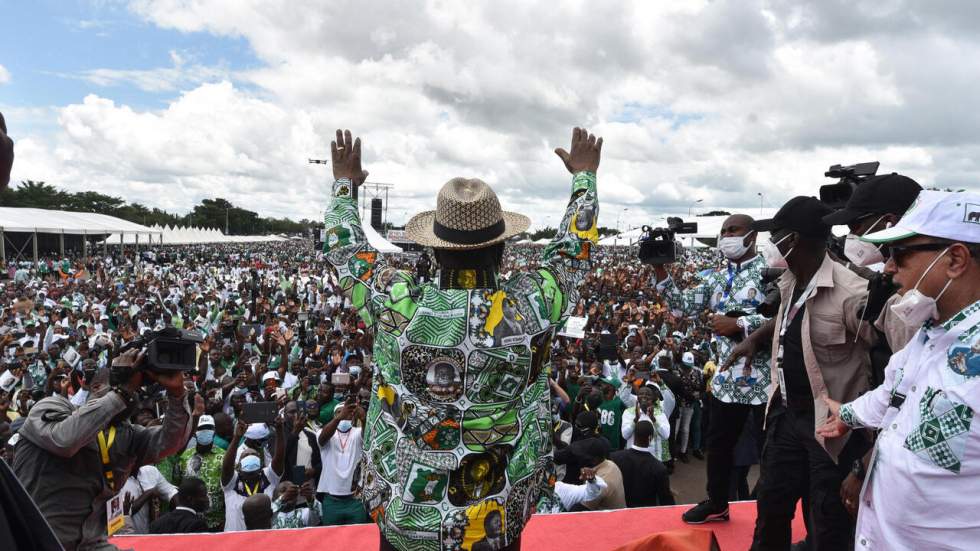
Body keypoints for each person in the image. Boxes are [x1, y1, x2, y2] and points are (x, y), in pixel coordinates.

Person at [321, 127, 601, 551]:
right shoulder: (533, 306)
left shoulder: (399, 304)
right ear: (502, 249)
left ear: (434, 250)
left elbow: (343, 250)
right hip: (495, 519)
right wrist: (584, 177)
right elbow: (572, 253)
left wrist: (345, 186)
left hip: (406, 519)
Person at [817, 190, 980, 550]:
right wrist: (847, 414)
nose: (888, 268)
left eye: (900, 254)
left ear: (955, 260)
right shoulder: (930, 332)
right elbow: (894, 392)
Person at [731, 196, 874, 551]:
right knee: (771, 508)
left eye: (774, 235)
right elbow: (795, 322)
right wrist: (757, 337)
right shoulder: (790, 282)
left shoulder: (851, 292)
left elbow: (893, 355)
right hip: (785, 414)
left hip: (830, 426)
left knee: (827, 520)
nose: (770, 244)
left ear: (792, 240)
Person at [654, 213, 771, 524]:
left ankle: (772, 508)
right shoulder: (715, 277)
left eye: (733, 230)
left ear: (752, 236)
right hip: (724, 381)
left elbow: (786, 314)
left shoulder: (770, 273)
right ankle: (717, 503)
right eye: (723, 231)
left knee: (770, 451)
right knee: (718, 446)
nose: (726, 236)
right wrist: (659, 268)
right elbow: (681, 305)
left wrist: (740, 323)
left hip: (763, 381)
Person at [12, 353, 191, 551]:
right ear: (96, 388)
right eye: (124, 386)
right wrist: (121, 392)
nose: (133, 393)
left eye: (136, 389)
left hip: (91, 544)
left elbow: (171, 442)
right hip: (33, 540)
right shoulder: (54, 407)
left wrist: (176, 395)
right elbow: (65, 441)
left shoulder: (128, 434)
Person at [221, 417, 285, 532]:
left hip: (264, 538)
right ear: (238, 465)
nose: (250, 455)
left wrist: (279, 431)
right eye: (245, 456)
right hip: (235, 540)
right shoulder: (232, 481)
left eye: (254, 454)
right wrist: (237, 437)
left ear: (260, 462)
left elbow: (279, 458)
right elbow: (226, 467)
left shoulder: (268, 476)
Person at [163, 413, 226, 530]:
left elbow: (228, 489)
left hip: (217, 522)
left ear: (214, 432)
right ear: (195, 433)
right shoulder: (184, 457)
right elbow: (176, 485)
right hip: (189, 522)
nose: (205, 431)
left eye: (209, 428)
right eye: (201, 428)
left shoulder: (223, 457)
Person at [316, 400, 366, 526]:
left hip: (356, 500)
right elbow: (322, 439)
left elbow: (368, 437)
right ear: (334, 416)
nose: (344, 414)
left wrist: (364, 418)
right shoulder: (323, 432)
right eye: (339, 412)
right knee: (332, 540)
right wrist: (339, 418)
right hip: (332, 500)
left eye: (348, 412)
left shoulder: (357, 432)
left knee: (358, 538)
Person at [610, 419, 674, 507]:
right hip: (645, 514)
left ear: (635, 435)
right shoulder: (659, 468)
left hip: (621, 511)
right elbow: (666, 502)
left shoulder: (615, 458)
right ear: (650, 438)